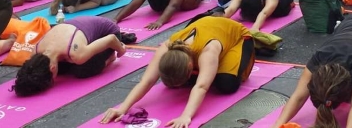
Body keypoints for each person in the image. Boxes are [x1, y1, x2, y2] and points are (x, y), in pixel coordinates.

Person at [100, 17, 254, 126]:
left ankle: (210, 70)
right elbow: (146, 81)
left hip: (238, 37)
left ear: (189, 66)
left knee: (226, 84)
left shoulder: (208, 51)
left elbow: (201, 87)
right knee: (175, 83)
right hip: (206, 28)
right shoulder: (166, 47)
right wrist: (122, 108)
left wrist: (186, 116)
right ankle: (203, 72)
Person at [270, 15, 352, 128]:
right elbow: (298, 96)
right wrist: (278, 124)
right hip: (349, 25)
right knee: (343, 93)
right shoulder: (320, 57)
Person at [12, 17, 128, 96]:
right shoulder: (35, 52)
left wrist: (121, 50)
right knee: (65, 68)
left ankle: (109, 58)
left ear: (52, 69)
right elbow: (31, 74)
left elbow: (111, 39)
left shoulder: (76, 53)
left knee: (82, 69)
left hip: (108, 32)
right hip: (79, 29)